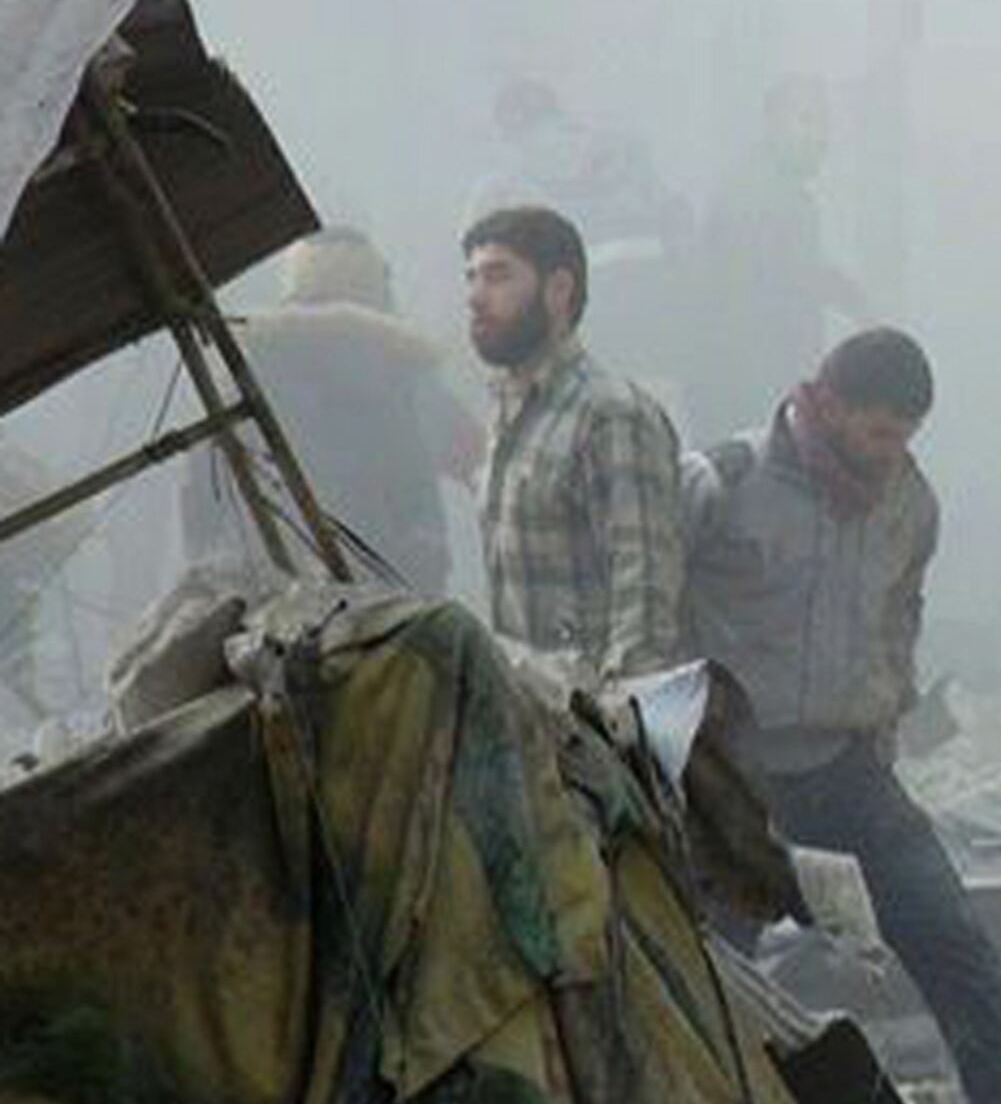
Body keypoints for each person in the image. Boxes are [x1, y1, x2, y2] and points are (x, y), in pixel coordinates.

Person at [682, 329, 1001, 1104]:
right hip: (732, 774)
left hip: (846, 768)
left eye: (906, 437)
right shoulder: (721, 481)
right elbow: (647, 594)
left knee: (947, 930)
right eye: (881, 433)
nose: (892, 453)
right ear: (831, 406)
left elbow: (900, 614)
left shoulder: (910, 503)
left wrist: (886, 718)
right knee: (714, 970)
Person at [184, 228, 475, 591]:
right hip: (384, 600)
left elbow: (202, 508)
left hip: (271, 602)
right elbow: (452, 475)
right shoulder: (393, 374)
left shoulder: (242, 378)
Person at [467, 203, 684, 681]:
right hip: (525, 713)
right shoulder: (507, 414)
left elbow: (643, 596)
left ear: (559, 289)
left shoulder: (610, 415)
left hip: (588, 726)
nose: (476, 297)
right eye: (473, 277)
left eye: (498, 276)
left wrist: (621, 727)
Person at [682, 75, 872, 441]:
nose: (821, 136)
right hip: (747, 396)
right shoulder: (754, 197)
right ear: (771, 123)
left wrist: (851, 298)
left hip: (762, 392)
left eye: (824, 122)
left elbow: (797, 273)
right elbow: (752, 298)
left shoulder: (784, 195)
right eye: (806, 120)